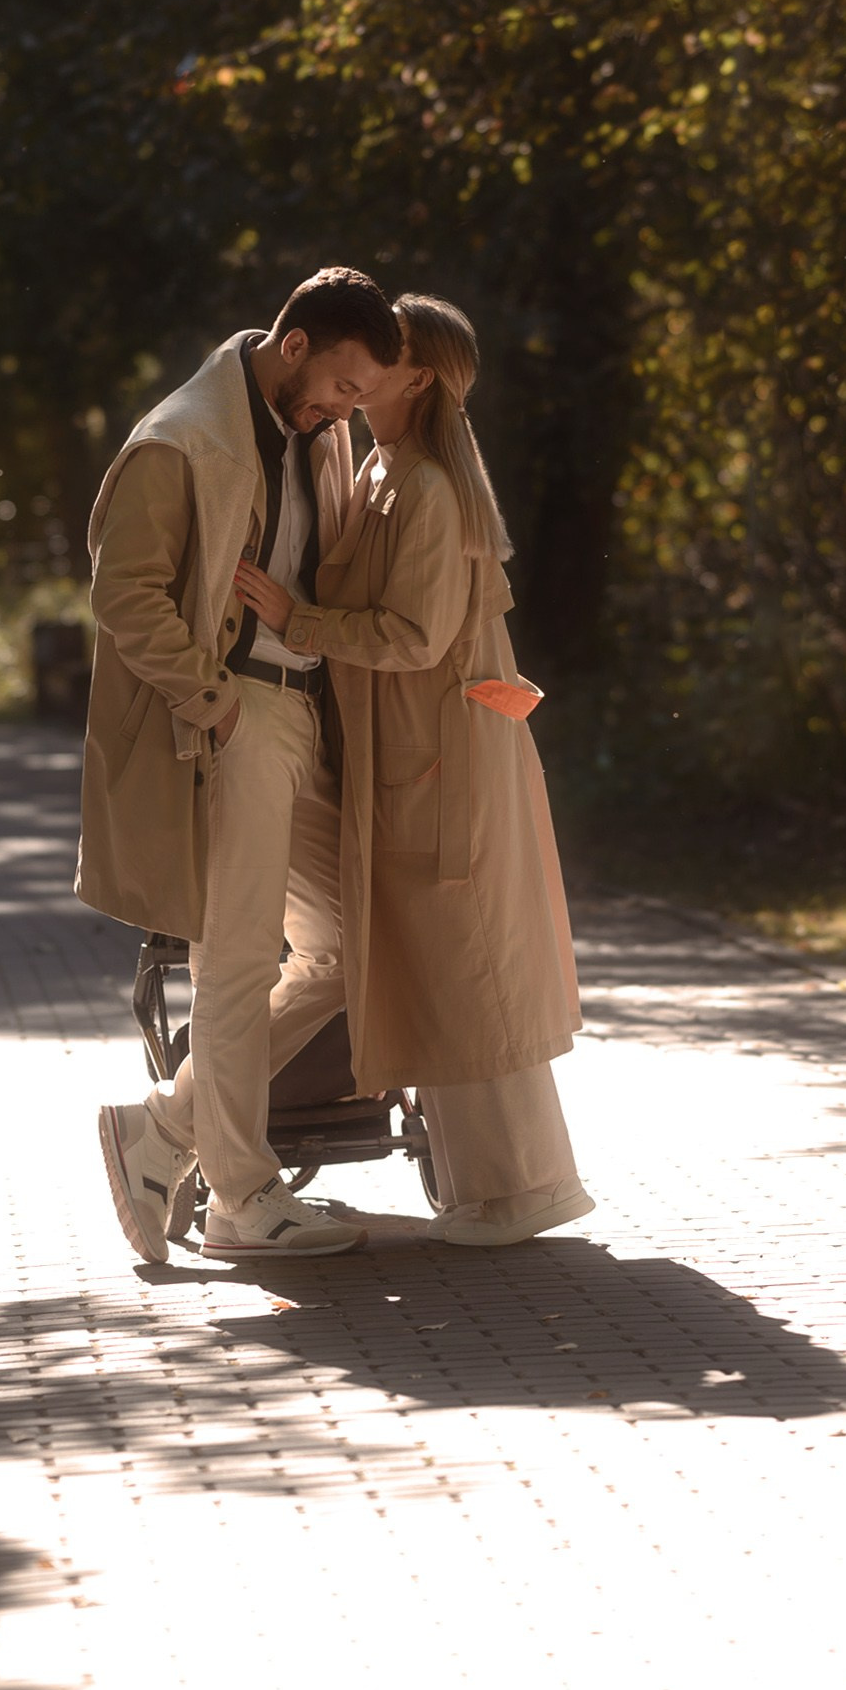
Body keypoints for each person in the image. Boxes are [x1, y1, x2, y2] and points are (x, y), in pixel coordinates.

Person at [235, 292, 593, 1247]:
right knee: (452, 964)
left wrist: (291, 619)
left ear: (420, 375)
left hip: (440, 760)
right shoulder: (387, 469)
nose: (362, 371)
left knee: (470, 960)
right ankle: (498, 1187)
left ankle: (519, 1191)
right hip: (418, 753)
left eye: (383, 358)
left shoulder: (427, 487)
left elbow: (414, 636)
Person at [85, 268, 402, 1262]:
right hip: (232, 715)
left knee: (351, 949)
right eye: (345, 387)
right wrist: (209, 700)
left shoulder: (322, 433)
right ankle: (240, 1197)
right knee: (232, 963)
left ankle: (165, 1130)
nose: (348, 410)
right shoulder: (182, 436)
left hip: (304, 714)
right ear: (295, 343)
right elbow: (123, 591)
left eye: (360, 400)